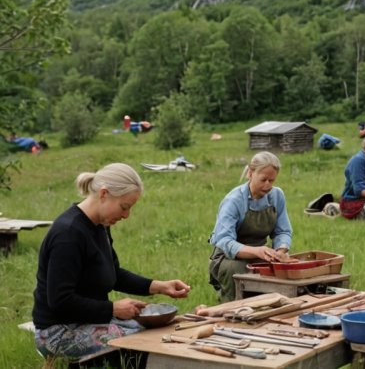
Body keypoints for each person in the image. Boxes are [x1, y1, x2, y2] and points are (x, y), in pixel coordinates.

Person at [32, 163, 191, 361]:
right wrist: (113, 309)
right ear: (104, 194)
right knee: (143, 341)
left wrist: (158, 286)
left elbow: (112, 274)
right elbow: (59, 301)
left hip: (88, 321)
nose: (126, 215)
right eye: (124, 207)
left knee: (157, 330)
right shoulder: (68, 234)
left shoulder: (99, 225)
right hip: (58, 332)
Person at [208, 151, 293, 302]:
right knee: (236, 269)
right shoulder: (233, 200)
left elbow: (283, 231)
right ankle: (232, 308)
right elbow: (225, 241)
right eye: (263, 180)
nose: (268, 185)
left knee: (286, 269)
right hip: (228, 258)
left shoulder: (277, 196)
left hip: (262, 253)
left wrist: (280, 251)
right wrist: (257, 252)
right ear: (250, 173)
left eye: (271, 181)